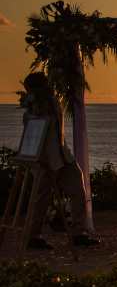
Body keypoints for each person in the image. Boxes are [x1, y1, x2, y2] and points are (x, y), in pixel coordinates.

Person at [18, 72, 98, 250]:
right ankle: (33, 236)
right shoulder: (32, 110)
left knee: (77, 190)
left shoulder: (53, 102)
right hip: (43, 160)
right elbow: (37, 135)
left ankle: (78, 233)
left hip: (63, 157)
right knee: (40, 199)